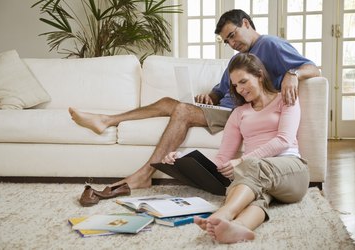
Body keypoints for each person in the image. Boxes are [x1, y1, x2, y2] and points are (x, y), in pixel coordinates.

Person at [69, 9, 319, 189]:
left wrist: (292, 73)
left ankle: (144, 174)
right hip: (223, 108)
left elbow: (313, 69)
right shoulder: (236, 60)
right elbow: (222, 90)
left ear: (246, 23)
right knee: (169, 102)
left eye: (233, 35)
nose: (232, 43)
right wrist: (209, 96)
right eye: (227, 40)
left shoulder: (270, 44)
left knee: (182, 111)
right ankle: (106, 119)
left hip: (240, 112)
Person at [162, 53, 309, 244]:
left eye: (243, 82)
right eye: (235, 85)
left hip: (292, 171)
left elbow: (284, 140)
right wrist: (182, 159)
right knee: (249, 191)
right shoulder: (239, 113)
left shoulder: (285, 99)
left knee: (249, 169)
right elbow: (223, 157)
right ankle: (238, 228)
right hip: (257, 176)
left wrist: (243, 161)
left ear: (259, 75)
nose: (239, 89)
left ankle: (223, 214)